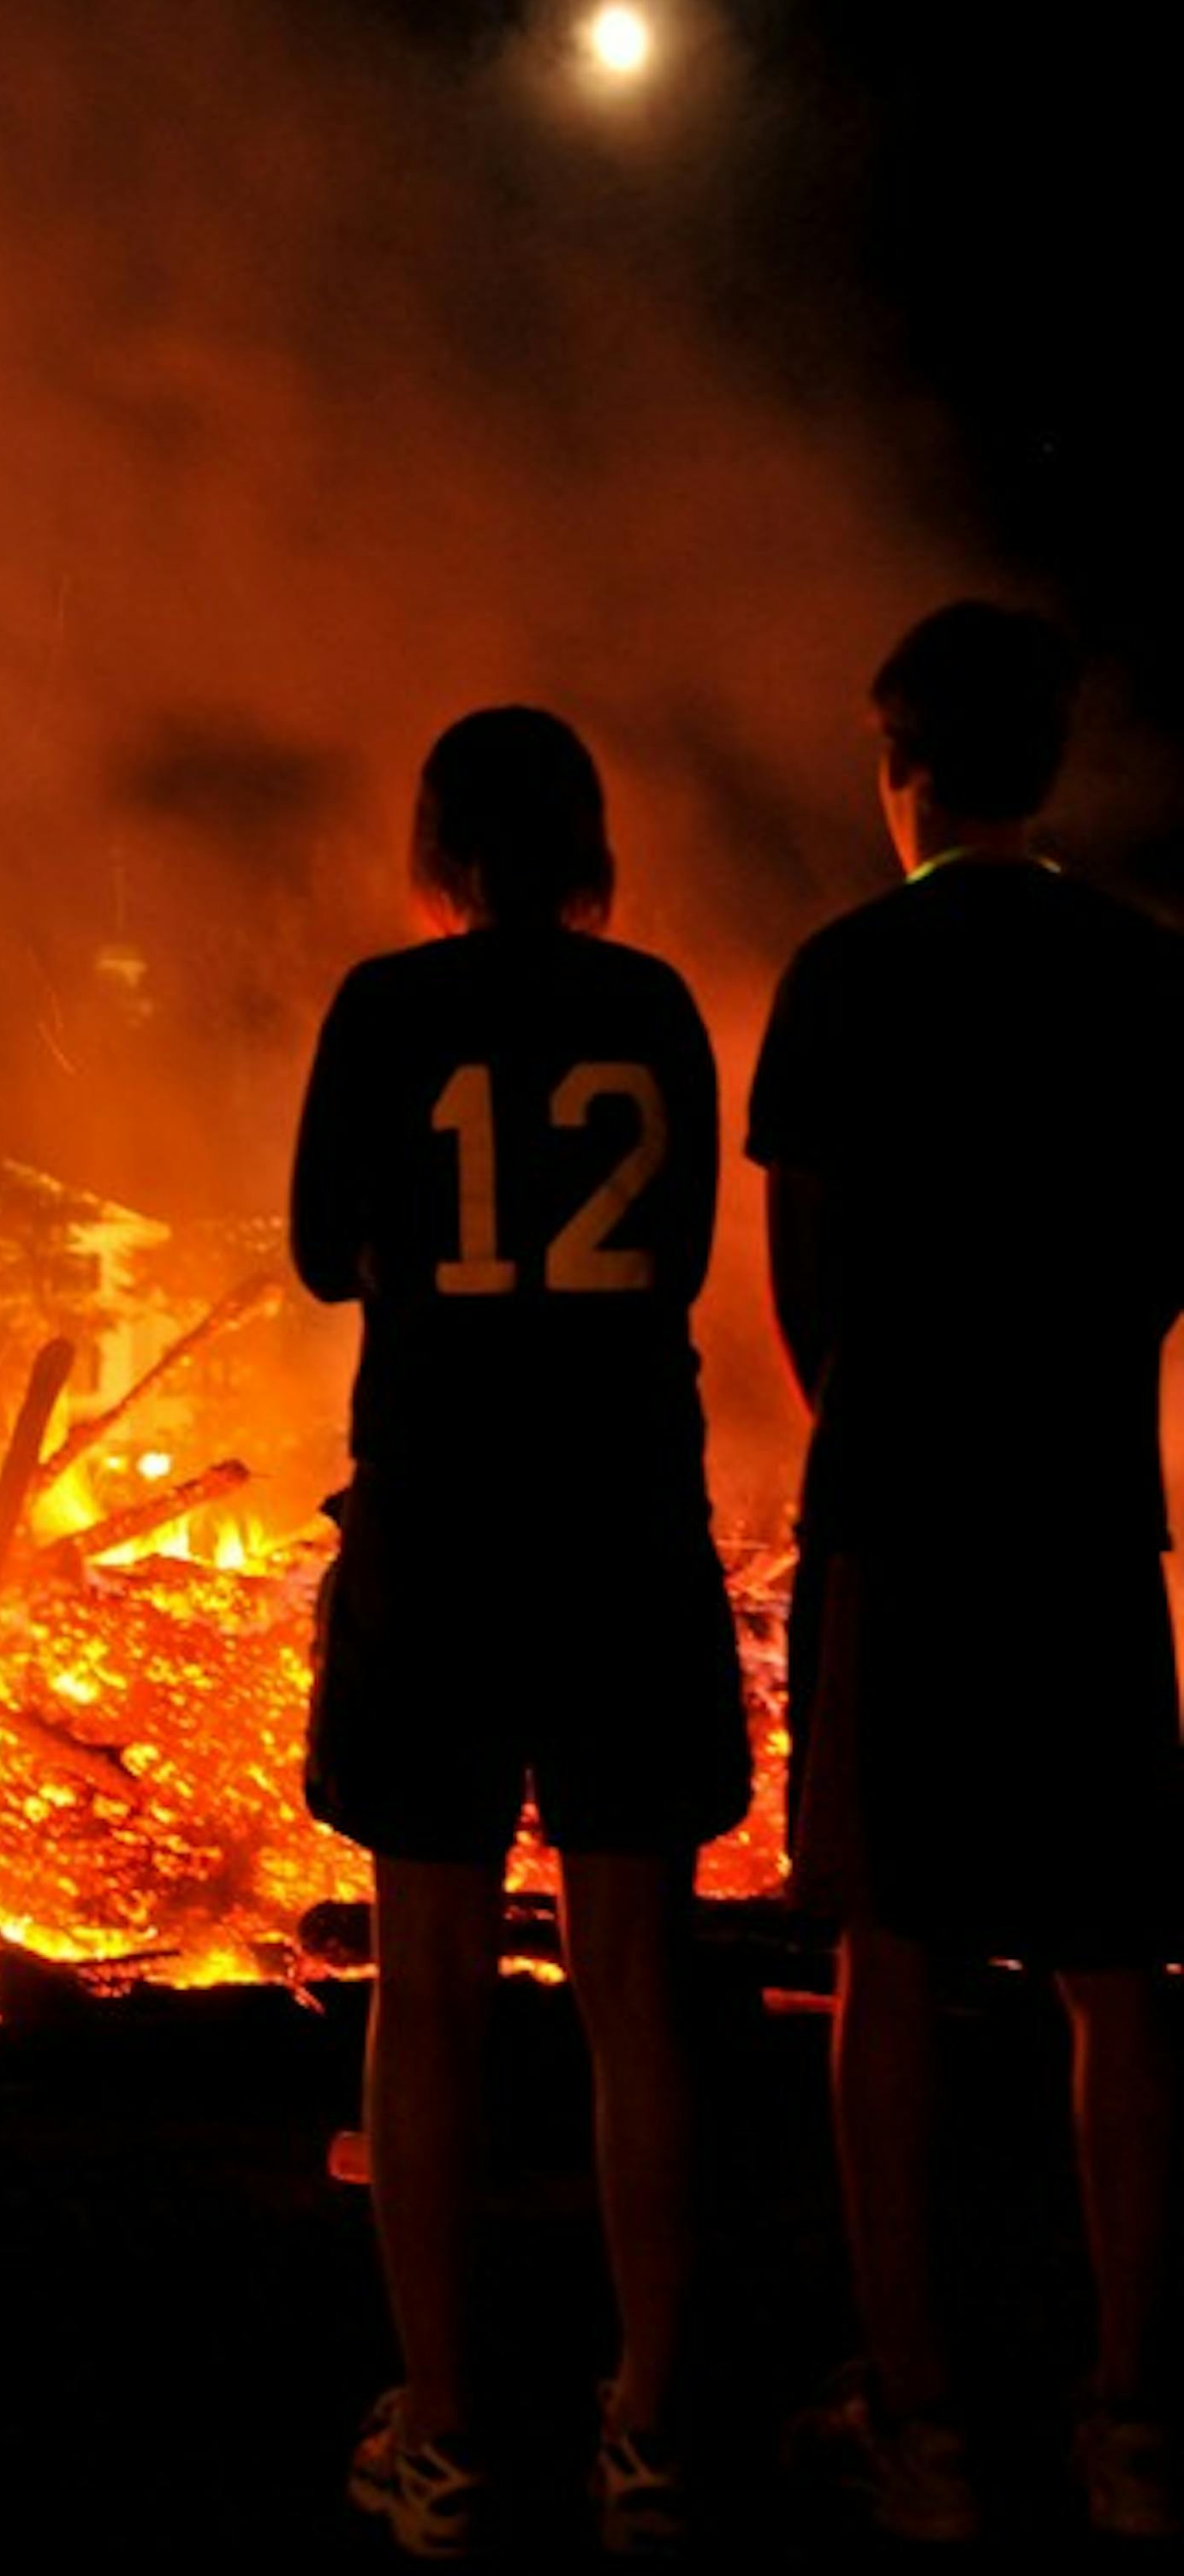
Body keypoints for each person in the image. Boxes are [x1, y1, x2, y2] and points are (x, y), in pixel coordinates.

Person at [290, 705, 751, 2557]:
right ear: (586, 843)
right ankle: (652, 2426)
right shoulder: (654, 1007)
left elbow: (322, 1250)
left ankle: (450, 2432)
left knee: (428, 1983)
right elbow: (684, 1253)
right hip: (624, 1521)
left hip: (444, 1525)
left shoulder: (384, 1007)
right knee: (638, 1984)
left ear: (439, 847)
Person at [747, 600, 1184, 2543]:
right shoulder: (1146, 974)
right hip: (1085, 1512)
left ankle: (920, 2424)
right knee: (1116, 1964)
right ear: (1049, 768)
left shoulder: (845, 973)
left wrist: (873, 1410)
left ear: (899, 769)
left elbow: (803, 1286)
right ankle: (1137, 2420)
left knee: (889, 1951)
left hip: (901, 1514)